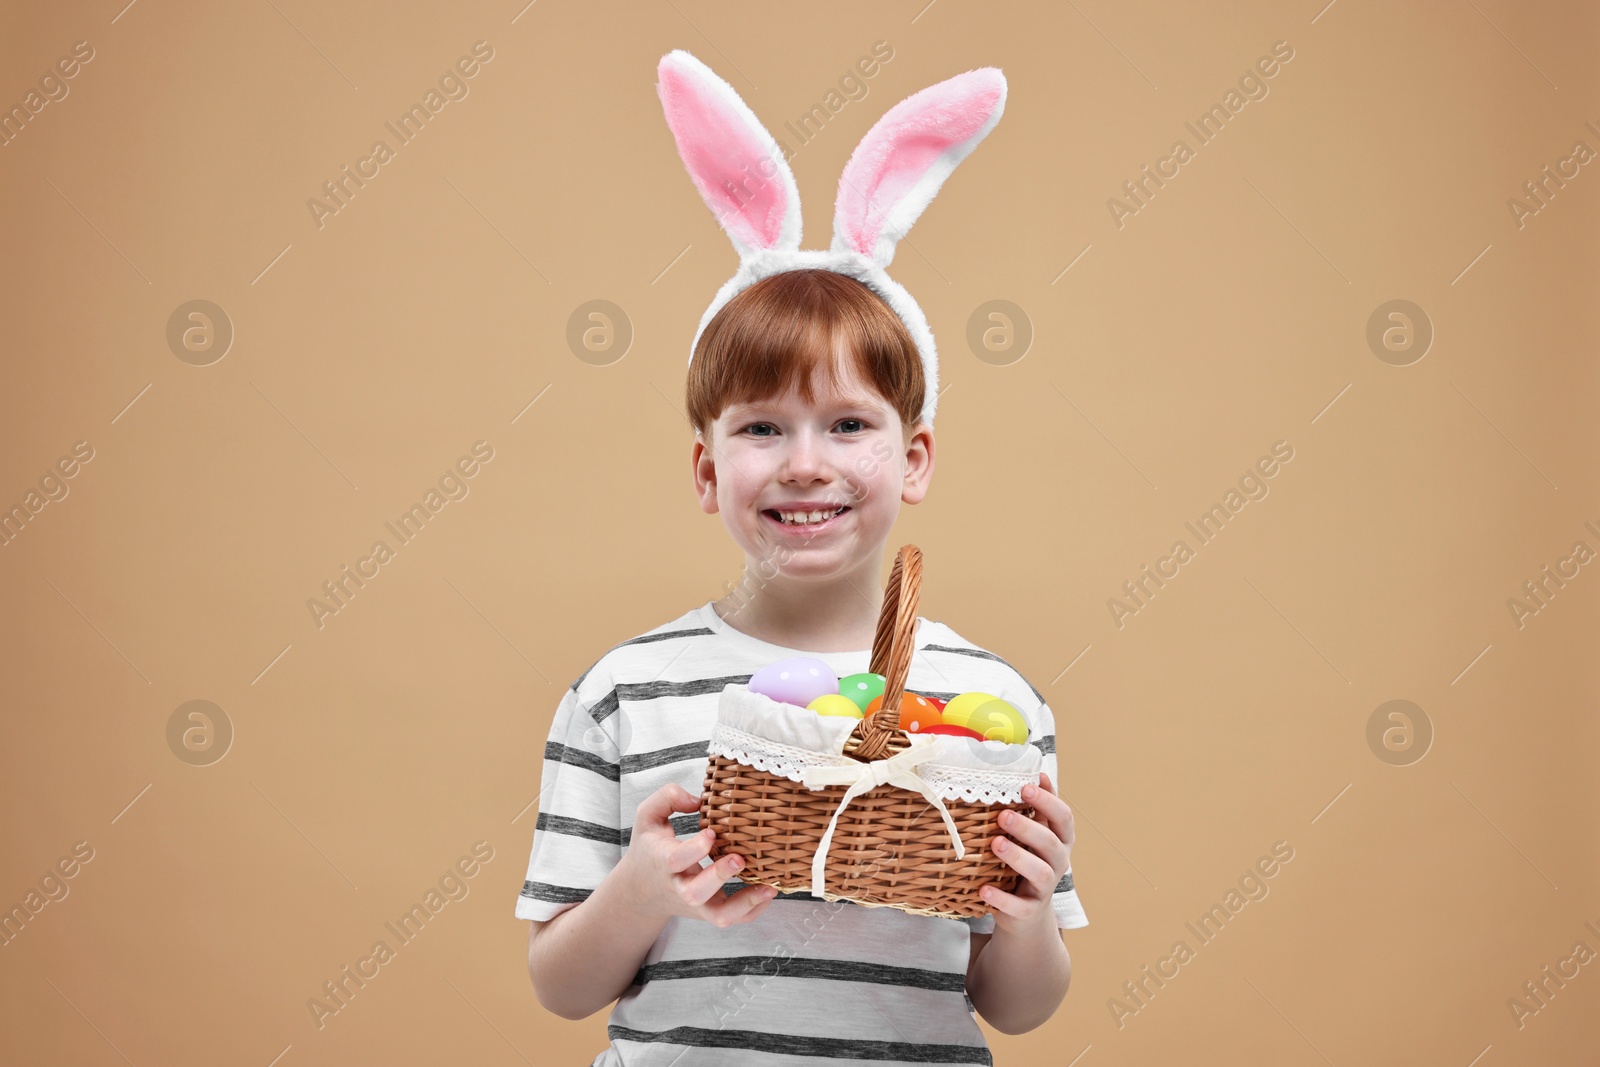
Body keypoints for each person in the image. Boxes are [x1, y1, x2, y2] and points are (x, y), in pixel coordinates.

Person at [519, 50, 1087, 1066]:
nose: (806, 464)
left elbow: (1019, 1004)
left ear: (912, 458)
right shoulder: (623, 691)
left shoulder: (989, 701)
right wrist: (642, 886)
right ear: (705, 469)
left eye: (847, 423)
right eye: (761, 430)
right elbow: (560, 983)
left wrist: (1030, 905)